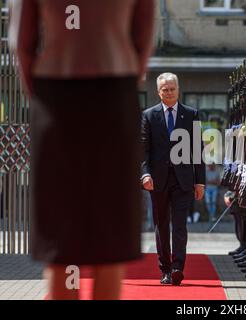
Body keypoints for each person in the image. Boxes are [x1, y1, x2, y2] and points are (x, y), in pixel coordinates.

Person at [9, 0, 155, 300]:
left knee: (61, 229)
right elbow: (142, 39)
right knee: (111, 229)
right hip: (114, 90)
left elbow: (22, 44)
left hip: (57, 93)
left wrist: (45, 97)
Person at [141, 72, 205, 286]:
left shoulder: (191, 114)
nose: (168, 92)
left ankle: (178, 267)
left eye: (172, 88)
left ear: (178, 89)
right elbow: (143, 150)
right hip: (157, 181)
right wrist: (145, 174)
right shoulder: (149, 116)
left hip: (183, 180)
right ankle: (165, 270)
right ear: (158, 91)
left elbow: (198, 149)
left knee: (179, 225)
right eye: (164, 89)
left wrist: (200, 181)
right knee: (161, 225)